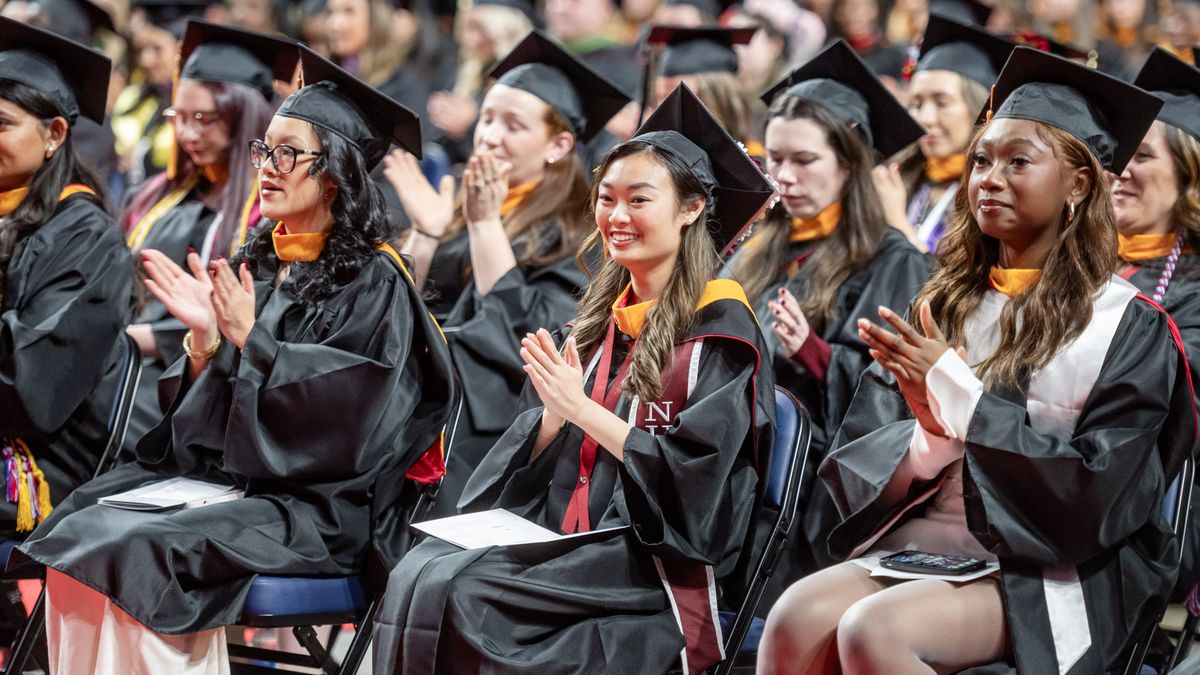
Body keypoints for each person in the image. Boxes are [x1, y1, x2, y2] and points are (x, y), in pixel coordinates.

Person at [14, 46, 455, 674]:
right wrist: (205, 344)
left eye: (288, 154)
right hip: (236, 489)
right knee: (87, 516)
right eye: (265, 151)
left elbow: (351, 432)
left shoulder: (376, 283)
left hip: (318, 510)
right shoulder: (267, 263)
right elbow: (201, 430)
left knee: (142, 548)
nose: (268, 169)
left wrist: (256, 342)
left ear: (336, 176)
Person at [758, 47, 1196, 675]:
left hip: (1048, 568)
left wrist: (963, 402)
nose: (989, 179)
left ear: (1078, 184)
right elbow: (863, 454)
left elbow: (1100, 498)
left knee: (873, 630)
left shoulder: (1128, 325)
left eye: (1019, 162)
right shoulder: (947, 303)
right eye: (982, 160)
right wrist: (932, 437)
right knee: (794, 616)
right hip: (928, 541)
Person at [372, 84, 776, 675]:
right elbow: (546, 449)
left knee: (466, 593)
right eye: (606, 198)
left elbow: (699, 494)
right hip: (571, 538)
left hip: (653, 567)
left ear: (691, 210)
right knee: (419, 567)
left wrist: (582, 411)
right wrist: (552, 421)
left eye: (639, 200)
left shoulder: (720, 335)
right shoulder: (601, 318)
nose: (616, 217)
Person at [386, 30, 630, 517]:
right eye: (487, 118)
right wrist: (430, 233)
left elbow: (525, 337)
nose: (490, 135)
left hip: (494, 419)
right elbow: (407, 305)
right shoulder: (467, 200)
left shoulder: (580, 233)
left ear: (559, 144)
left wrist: (484, 225)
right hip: (429, 394)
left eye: (513, 125)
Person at [728, 39, 929, 575]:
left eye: (804, 160)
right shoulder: (755, 251)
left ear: (848, 162)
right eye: (774, 158)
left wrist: (816, 356)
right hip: (730, 456)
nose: (783, 176)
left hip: (812, 484)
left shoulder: (894, 263)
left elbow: (896, 404)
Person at [122, 20, 296, 449]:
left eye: (204, 118)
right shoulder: (155, 196)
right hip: (126, 358)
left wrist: (138, 341)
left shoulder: (267, 212)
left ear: (245, 117)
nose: (187, 134)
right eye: (179, 118)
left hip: (204, 379)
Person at [0, 18, 130, 537]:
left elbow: (32, 392)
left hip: (39, 462)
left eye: (2, 124)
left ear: (54, 134)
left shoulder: (85, 238)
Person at [1116, 46, 1200, 597]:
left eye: (1142, 156)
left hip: (1143, 516)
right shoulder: (1075, 261)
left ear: (1189, 176)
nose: (1120, 170)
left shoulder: (1195, 286)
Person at [873, 14, 1013, 253]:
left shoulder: (993, 195)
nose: (925, 118)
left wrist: (899, 226)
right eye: (916, 105)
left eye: (941, 102)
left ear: (979, 108)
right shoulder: (905, 179)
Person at [112, 0, 210, 187]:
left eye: (156, 49)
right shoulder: (131, 99)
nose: (146, 60)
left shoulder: (201, 107)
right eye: (140, 50)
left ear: (181, 50)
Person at [428, 0, 533, 164]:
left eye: (480, 28)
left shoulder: (528, 80)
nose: (470, 39)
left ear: (503, 30)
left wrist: (471, 125)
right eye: (468, 27)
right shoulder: (468, 70)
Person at [648, 25, 764, 160]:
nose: (663, 108)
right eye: (660, 97)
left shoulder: (756, 165)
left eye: (674, 96)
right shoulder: (651, 160)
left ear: (716, 97)